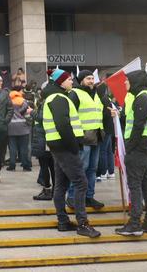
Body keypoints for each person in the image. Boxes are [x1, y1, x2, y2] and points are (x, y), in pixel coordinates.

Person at [42, 69, 100, 238]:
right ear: (60, 82)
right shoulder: (59, 98)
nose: (71, 82)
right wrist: (74, 146)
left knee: (61, 185)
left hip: (58, 147)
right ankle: (83, 224)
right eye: (68, 80)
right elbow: (63, 125)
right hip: (65, 147)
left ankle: (63, 221)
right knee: (81, 182)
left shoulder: (54, 97)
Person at [115, 70, 147, 237]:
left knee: (135, 185)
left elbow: (138, 126)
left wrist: (130, 148)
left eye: (127, 81)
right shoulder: (146, 97)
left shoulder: (141, 98)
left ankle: (135, 223)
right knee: (146, 184)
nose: (125, 84)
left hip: (139, 147)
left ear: (135, 82)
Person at [66, 70, 105, 210]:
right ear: (81, 80)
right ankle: (72, 197)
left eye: (92, 78)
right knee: (81, 168)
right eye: (88, 78)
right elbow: (69, 116)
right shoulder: (75, 94)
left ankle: (89, 196)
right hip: (82, 137)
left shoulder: (96, 94)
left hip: (96, 136)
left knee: (92, 169)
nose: (91, 81)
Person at [31, 88, 53, 200]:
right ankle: (54, 190)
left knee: (44, 165)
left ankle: (47, 189)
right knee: (52, 165)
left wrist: (32, 112)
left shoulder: (45, 104)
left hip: (43, 138)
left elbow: (41, 118)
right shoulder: (53, 102)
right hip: (49, 138)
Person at [6, 89, 32, 172]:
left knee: (12, 148)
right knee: (24, 148)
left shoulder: (8, 102)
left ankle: (12, 165)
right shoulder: (24, 102)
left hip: (11, 128)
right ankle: (26, 166)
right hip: (23, 128)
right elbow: (28, 114)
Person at [96, 83, 116, 181]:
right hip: (109, 129)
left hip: (104, 129)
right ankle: (111, 171)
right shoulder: (107, 99)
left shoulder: (101, 100)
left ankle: (103, 172)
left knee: (103, 151)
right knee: (108, 151)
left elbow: (102, 115)